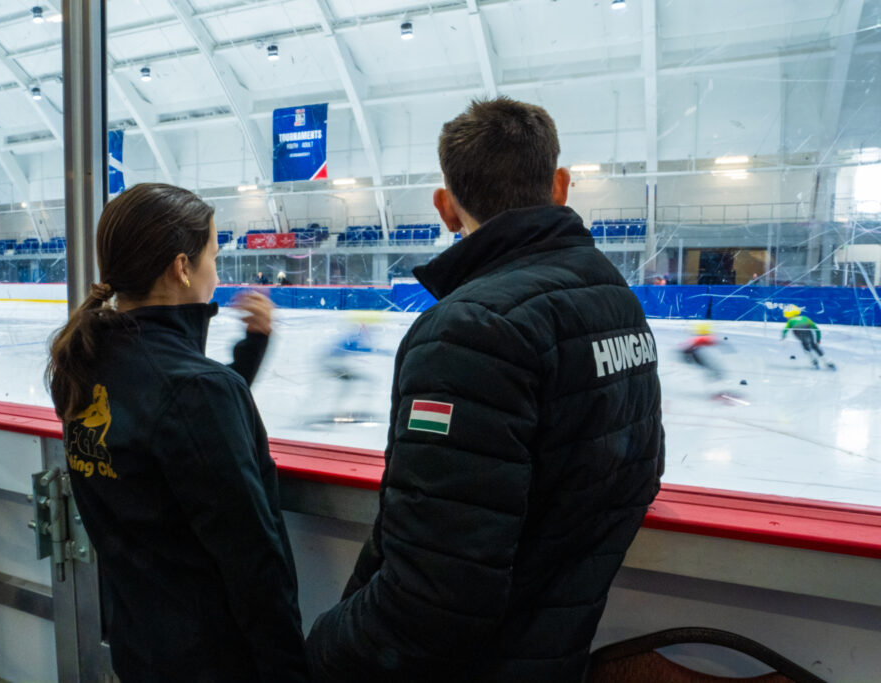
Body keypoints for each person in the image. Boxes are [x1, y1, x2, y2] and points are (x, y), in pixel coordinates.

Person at [306, 97, 665, 682]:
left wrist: (320, 651)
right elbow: (634, 478)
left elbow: (434, 599)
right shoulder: (615, 302)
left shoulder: (469, 334)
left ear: (445, 208)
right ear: (560, 186)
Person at [45, 183, 307, 683]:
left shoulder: (87, 363)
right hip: (213, 662)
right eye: (212, 254)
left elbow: (169, 431)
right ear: (182, 267)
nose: (216, 269)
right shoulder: (194, 391)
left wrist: (246, 357)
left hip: (140, 646)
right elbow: (254, 562)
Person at [781, 305, 836, 370]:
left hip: (800, 333)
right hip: (808, 332)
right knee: (814, 346)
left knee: (806, 347)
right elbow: (817, 329)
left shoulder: (790, 322)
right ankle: (828, 362)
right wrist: (818, 339)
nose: (786, 319)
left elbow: (785, 331)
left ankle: (814, 362)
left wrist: (783, 338)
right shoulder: (806, 318)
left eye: (787, 317)